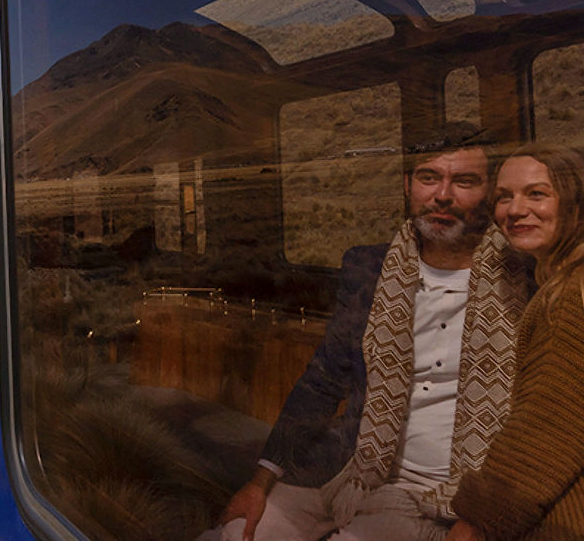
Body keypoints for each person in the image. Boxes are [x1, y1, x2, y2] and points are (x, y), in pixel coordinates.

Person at [210, 125, 531, 541]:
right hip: (350, 468)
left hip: (442, 492)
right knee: (233, 535)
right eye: (428, 178)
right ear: (407, 185)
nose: (442, 195)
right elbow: (323, 379)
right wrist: (260, 481)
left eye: (464, 181)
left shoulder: (525, 278)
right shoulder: (369, 268)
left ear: (489, 193)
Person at [447, 145, 584, 541]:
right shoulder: (559, 280)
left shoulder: (570, 297)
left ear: (575, 203)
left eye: (536, 194)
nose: (514, 209)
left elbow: (546, 430)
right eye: (504, 197)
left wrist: (473, 525)